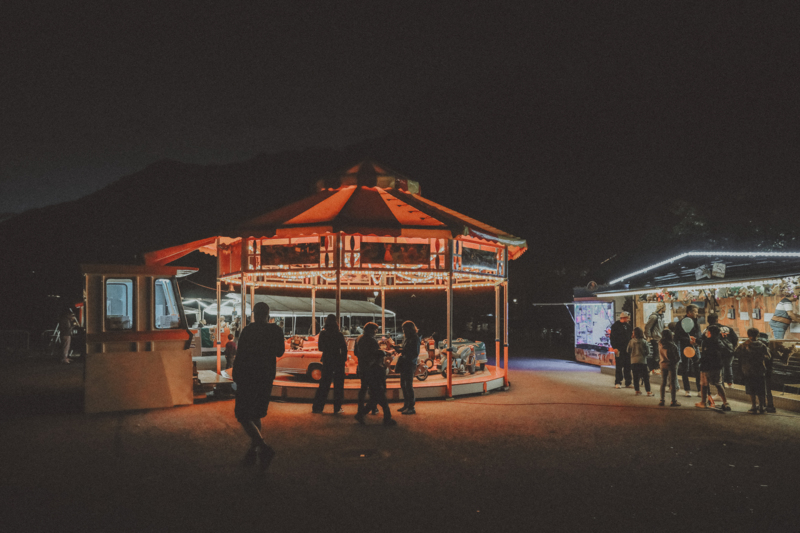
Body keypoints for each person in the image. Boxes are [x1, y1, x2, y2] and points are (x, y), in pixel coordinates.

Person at [232, 302, 286, 472]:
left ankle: (262, 447)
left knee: (242, 414)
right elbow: (280, 352)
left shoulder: (248, 330)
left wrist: (236, 373)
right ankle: (253, 450)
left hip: (248, 376)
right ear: (268, 314)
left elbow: (240, 354)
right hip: (266, 375)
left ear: (254, 314)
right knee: (256, 413)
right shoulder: (276, 330)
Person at [354, 322, 396, 426]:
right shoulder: (371, 340)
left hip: (363, 368)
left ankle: (362, 412)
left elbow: (356, 352)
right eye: (375, 330)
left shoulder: (359, 339)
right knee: (379, 393)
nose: (375, 333)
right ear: (370, 330)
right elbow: (376, 353)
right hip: (372, 370)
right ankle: (386, 417)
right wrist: (385, 352)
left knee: (369, 392)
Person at [312, 314, 348, 414]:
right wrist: (343, 359)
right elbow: (344, 348)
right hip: (338, 360)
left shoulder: (323, 334)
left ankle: (317, 407)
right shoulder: (339, 334)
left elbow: (320, 348)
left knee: (324, 384)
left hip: (327, 359)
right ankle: (337, 408)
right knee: (338, 385)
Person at [736, 327, 769, 414]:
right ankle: (761, 406)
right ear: (758, 335)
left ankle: (754, 406)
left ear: (748, 335)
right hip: (760, 370)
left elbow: (736, 353)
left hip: (748, 370)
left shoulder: (743, 345)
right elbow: (768, 356)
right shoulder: (762, 345)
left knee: (751, 389)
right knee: (761, 389)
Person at [697, 325, 730, 411]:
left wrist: (699, 361)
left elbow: (704, 354)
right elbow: (725, 352)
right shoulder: (719, 341)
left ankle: (703, 402)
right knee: (718, 383)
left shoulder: (706, 342)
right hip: (717, 366)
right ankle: (725, 403)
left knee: (704, 384)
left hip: (706, 366)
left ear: (709, 332)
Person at [674, 304, 702, 397]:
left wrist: (697, 341)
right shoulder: (680, 323)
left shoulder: (696, 322)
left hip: (695, 347)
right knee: (685, 368)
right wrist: (688, 340)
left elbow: (699, 334)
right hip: (684, 348)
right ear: (689, 312)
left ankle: (699, 390)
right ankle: (687, 389)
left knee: (698, 368)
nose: (697, 314)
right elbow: (677, 337)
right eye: (695, 312)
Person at [704, 313, 738, 388]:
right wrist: (732, 348)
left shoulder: (709, 330)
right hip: (729, 351)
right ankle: (730, 383)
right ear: (717, 319)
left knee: (719, 369)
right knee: (728, 366)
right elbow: (735, 338)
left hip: (717, 353)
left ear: (708, 321)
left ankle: (721, 384)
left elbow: (705, 341)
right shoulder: (727, 328)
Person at [398, 320, 420, 415]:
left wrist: (403, 352)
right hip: (405, 362)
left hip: (410, 363)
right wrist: (400, 349)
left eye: (404, 328)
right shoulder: (407, 338)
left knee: (408, 385)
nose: (403, 330)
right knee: (403, 384)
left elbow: (415, 353)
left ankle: (411, 406)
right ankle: (407, 404)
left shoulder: (415, 338)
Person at [610, 311, 633, 389]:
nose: (629, 319)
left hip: (627, 349)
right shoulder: (615, 326)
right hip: (619, 348)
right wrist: (615, 348)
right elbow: (612, 337)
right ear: (624, 318)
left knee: (628, 365)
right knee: (619, 366)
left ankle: (628, 382)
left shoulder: (628, 326)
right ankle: (618, 381)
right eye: (628, 318)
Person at [658, 329, 680, 406]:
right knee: (672, 383)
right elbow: (677, 357)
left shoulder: (660, 343)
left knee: (663, 382)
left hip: (662, 364)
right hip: (672, 365)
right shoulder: (673, 345)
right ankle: (673, 401)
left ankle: (662, 400)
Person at [627, 327, 652, 396]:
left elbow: (628, 350)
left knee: (635, 377)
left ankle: (637, 390)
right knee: (645, 377)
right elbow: (648, 351)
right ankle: (648, 391)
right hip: (642, 361)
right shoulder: (644, 341)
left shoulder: (631, 341)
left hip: (633, 361)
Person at [644, 303, 666, 375]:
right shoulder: (654, 317)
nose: (665, 309)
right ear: (661, 308)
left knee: (658, 353)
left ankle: (656, 368)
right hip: (655, 337)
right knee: (656, 354)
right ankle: (655, 368)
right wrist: (649, 336)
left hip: (660, 337)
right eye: (664, 307)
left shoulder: (661, 316)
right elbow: (648, 326)